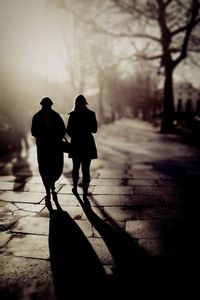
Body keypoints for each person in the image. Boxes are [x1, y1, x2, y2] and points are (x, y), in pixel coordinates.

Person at [31, 97, 65, 207]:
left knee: (44, 169)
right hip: (55, 148)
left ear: (41, 105)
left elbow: (33, 132)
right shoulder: (56, 116)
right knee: (56, 168)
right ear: (51, 104)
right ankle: (52, 184)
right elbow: (63, 131)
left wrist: (42, 135)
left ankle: (47, 191)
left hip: (42, 149)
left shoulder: (36, 116)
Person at [66, 94, 98, 202]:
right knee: (86, 169)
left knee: (76, 167)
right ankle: (84, 192)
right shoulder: (91, 114)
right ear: (85, 103)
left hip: (76, 143)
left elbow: (68, 130)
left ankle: (75, 187)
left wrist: (76, 134)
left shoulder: (72, 115)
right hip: (87, 143)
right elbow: (94, 130)